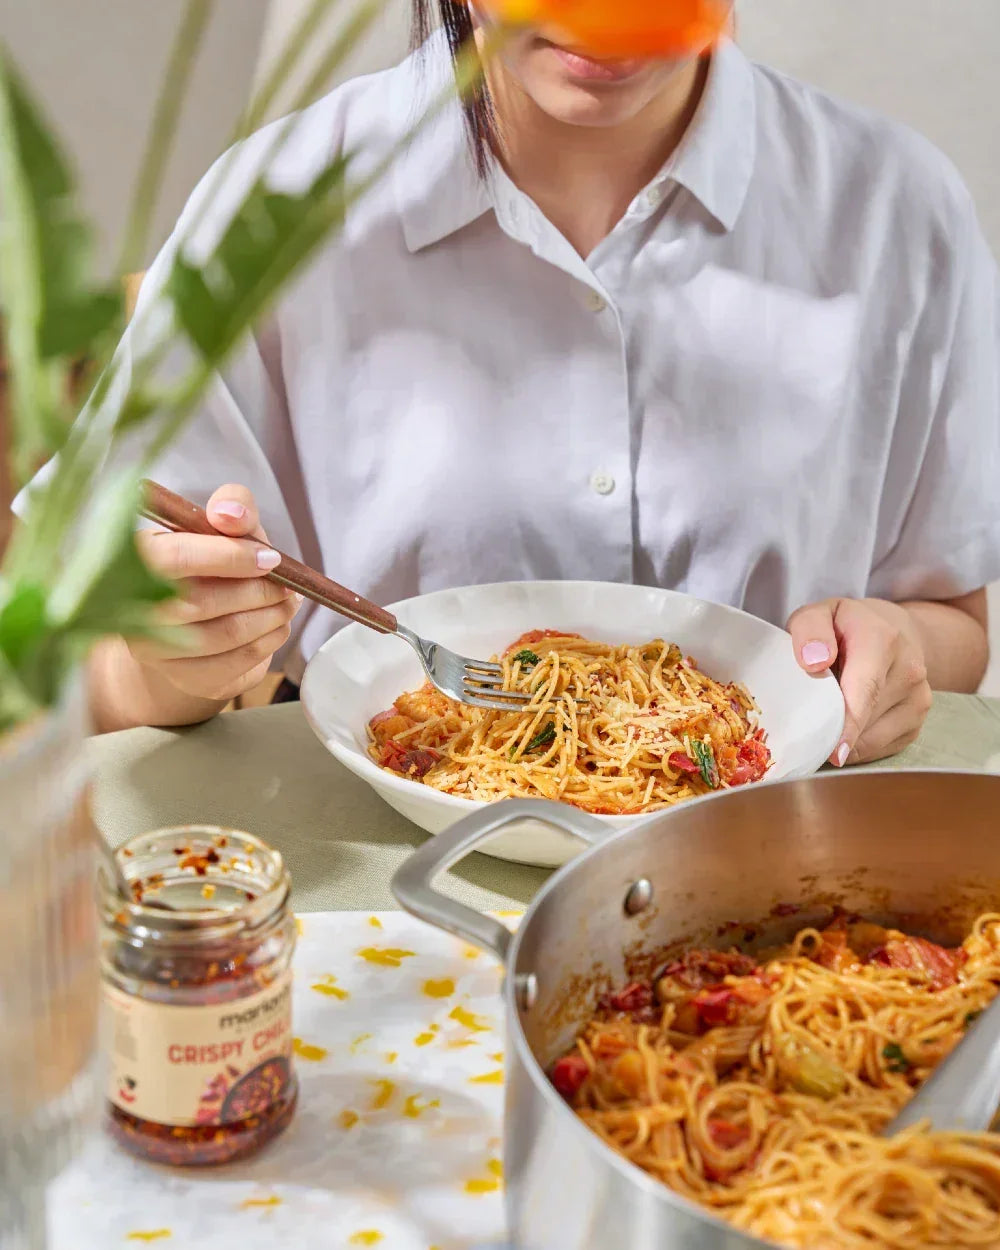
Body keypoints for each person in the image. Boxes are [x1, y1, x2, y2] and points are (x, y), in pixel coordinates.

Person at [84, 1, 999, 765]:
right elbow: (98, 672)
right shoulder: (279, 205)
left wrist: (898, 648)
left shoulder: (894, 209)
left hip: (766, 882)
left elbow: (953, 618)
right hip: (376, 886)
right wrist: (173, 658)